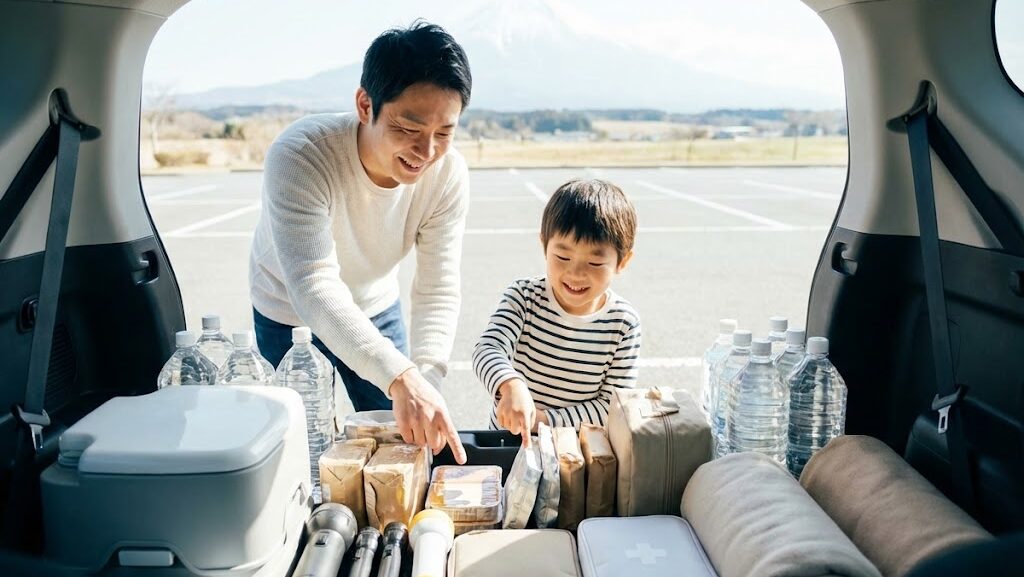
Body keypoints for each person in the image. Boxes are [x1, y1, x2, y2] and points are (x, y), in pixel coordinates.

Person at [250, 21, 470, 462]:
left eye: (444, 132)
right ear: (364, 104)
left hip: (375, 306)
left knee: (403, 447)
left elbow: (437, 287)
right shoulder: (301, 155)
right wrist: (400, 376)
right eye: (409, 128)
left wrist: (424, 378)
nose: (426, 152)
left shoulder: (447, 175)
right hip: (288, 314)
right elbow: (314, 285)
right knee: (304, 452)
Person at [472, 179, 641, 444]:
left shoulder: (623, 324)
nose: (575, 273)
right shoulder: (525, 297)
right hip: (508, 440)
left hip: (575, 452)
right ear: (544, 245)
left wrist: (544, 420)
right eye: (562, 257)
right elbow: (487, 349)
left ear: (623, 261)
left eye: (595, 262)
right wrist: (510, 384)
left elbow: (611, 407)